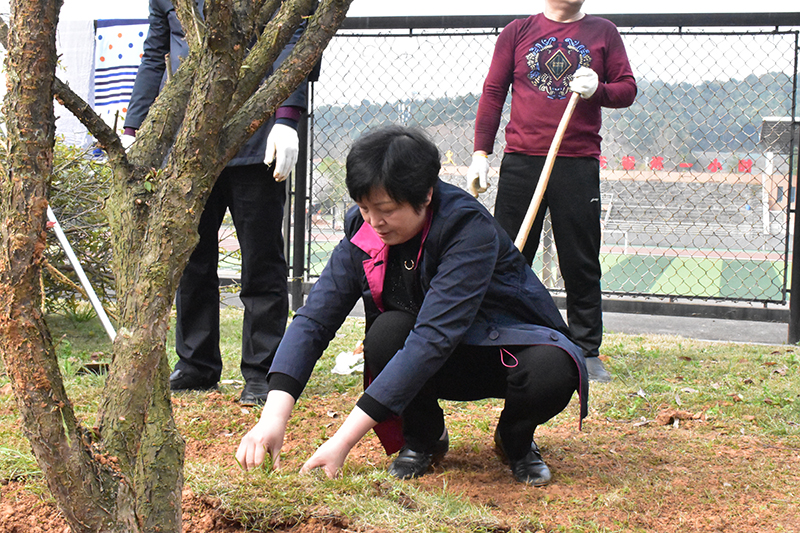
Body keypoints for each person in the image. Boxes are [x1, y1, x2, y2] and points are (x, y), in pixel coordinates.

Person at [236, 126, 588, 486]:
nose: (375, 222)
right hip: (433, 360)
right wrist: (272, 418)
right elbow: (315, 319)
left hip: (499, 349)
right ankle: (423, 439)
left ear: (426, 195)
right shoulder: (364, 229)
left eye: (386, 209)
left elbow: (434, 336)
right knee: (386, 334)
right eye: (364, 207)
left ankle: (516, 438)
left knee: (553, 368)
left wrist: (342, 442)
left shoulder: (467, 228)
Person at [123, 0, 311, 405]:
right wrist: (137, 127)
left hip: (257, 138)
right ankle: (195, 364)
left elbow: (292, 41)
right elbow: (156, 52)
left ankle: (263, 370)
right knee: (190, 257)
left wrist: (287, 115)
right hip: (187, 142)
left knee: (261, 259)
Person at [466, 0, 637, 383]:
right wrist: (481, 153)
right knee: (509, 253)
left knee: (579, 256)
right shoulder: (517, 32)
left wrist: (599, 90)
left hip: (576, 160)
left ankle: (586, 348)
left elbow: (627, 89)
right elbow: (493, 92)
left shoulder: (603, 32)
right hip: (522, 160)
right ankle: (502, 335)